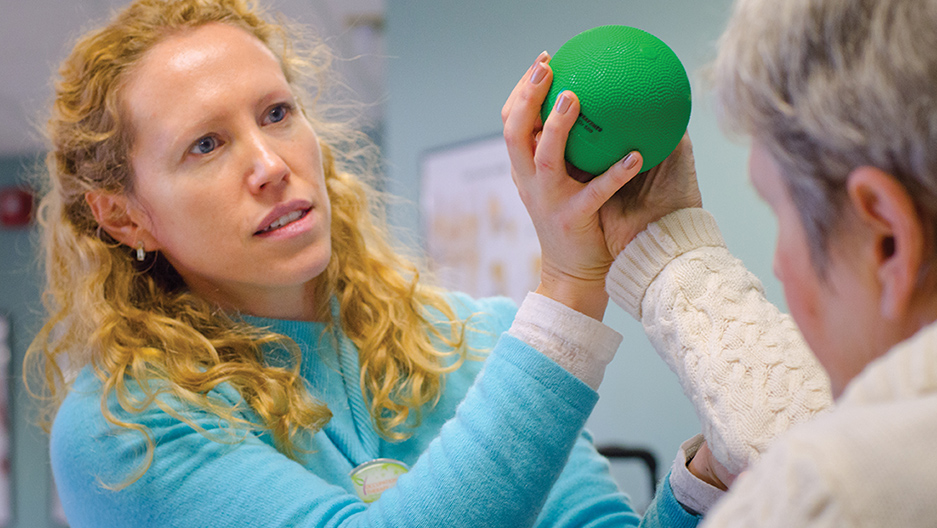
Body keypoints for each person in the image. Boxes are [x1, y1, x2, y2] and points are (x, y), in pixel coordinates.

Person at [26, 0, 722, 526]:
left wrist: (709, 474)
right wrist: (568, 294)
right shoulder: (124, 431)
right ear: (123, 215)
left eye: (275, 114)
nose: (271, 165)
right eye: (205, 145)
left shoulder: (473, 338)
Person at [583, 0, 937, 525]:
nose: (777, 263)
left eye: (777, 212)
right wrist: (666, 245)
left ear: (886, 239)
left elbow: (836, 453)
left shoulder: (825, 496)